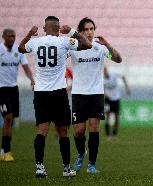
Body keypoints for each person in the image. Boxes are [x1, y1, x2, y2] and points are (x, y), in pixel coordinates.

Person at [18, 16, 92, 178]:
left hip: (41, 92)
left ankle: (39, 167)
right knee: (63, 132)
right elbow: (88, 44)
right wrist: (72, 31)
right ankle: (66, 169)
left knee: (41, 131)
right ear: (59, 29)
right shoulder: (64, 42)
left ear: (45, 28)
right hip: (59, 93)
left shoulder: (36, 42)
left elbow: (20, 48)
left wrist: (30, 33)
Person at [60, 17, 122, 174]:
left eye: (92, 29)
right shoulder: (73, 49)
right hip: (79, 94)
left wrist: (107, 44)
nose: (89, 32)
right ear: (80, 32)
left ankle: (92, 164)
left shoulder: (100, 49)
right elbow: (60, 56)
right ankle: (81, 153)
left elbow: (118, 59)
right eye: (86, 29)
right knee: (79, 131)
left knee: (94, 128)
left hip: (96, 94)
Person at [0, 28, 34, 162]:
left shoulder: (18, 50)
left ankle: (5, 150)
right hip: (1, 89)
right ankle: (5, 150)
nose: (12, 38)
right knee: (8, 117)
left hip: (13, 88)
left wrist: (32, 79)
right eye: (9, 36)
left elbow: (25, 66)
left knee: (11, 119)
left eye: (13, 36)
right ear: (3, 36)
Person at [104, 66, 130, 140]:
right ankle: (108, 135)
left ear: (106, 70)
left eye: (105, 70)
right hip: (108, 100)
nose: (104, 72)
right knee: (107, 117)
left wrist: (127, 88)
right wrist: (105, 95)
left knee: (117, 117)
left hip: (116, 98)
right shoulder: (101, 79)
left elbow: (123, 76)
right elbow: (101, 89)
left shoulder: (113, 73)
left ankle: (114, 134)